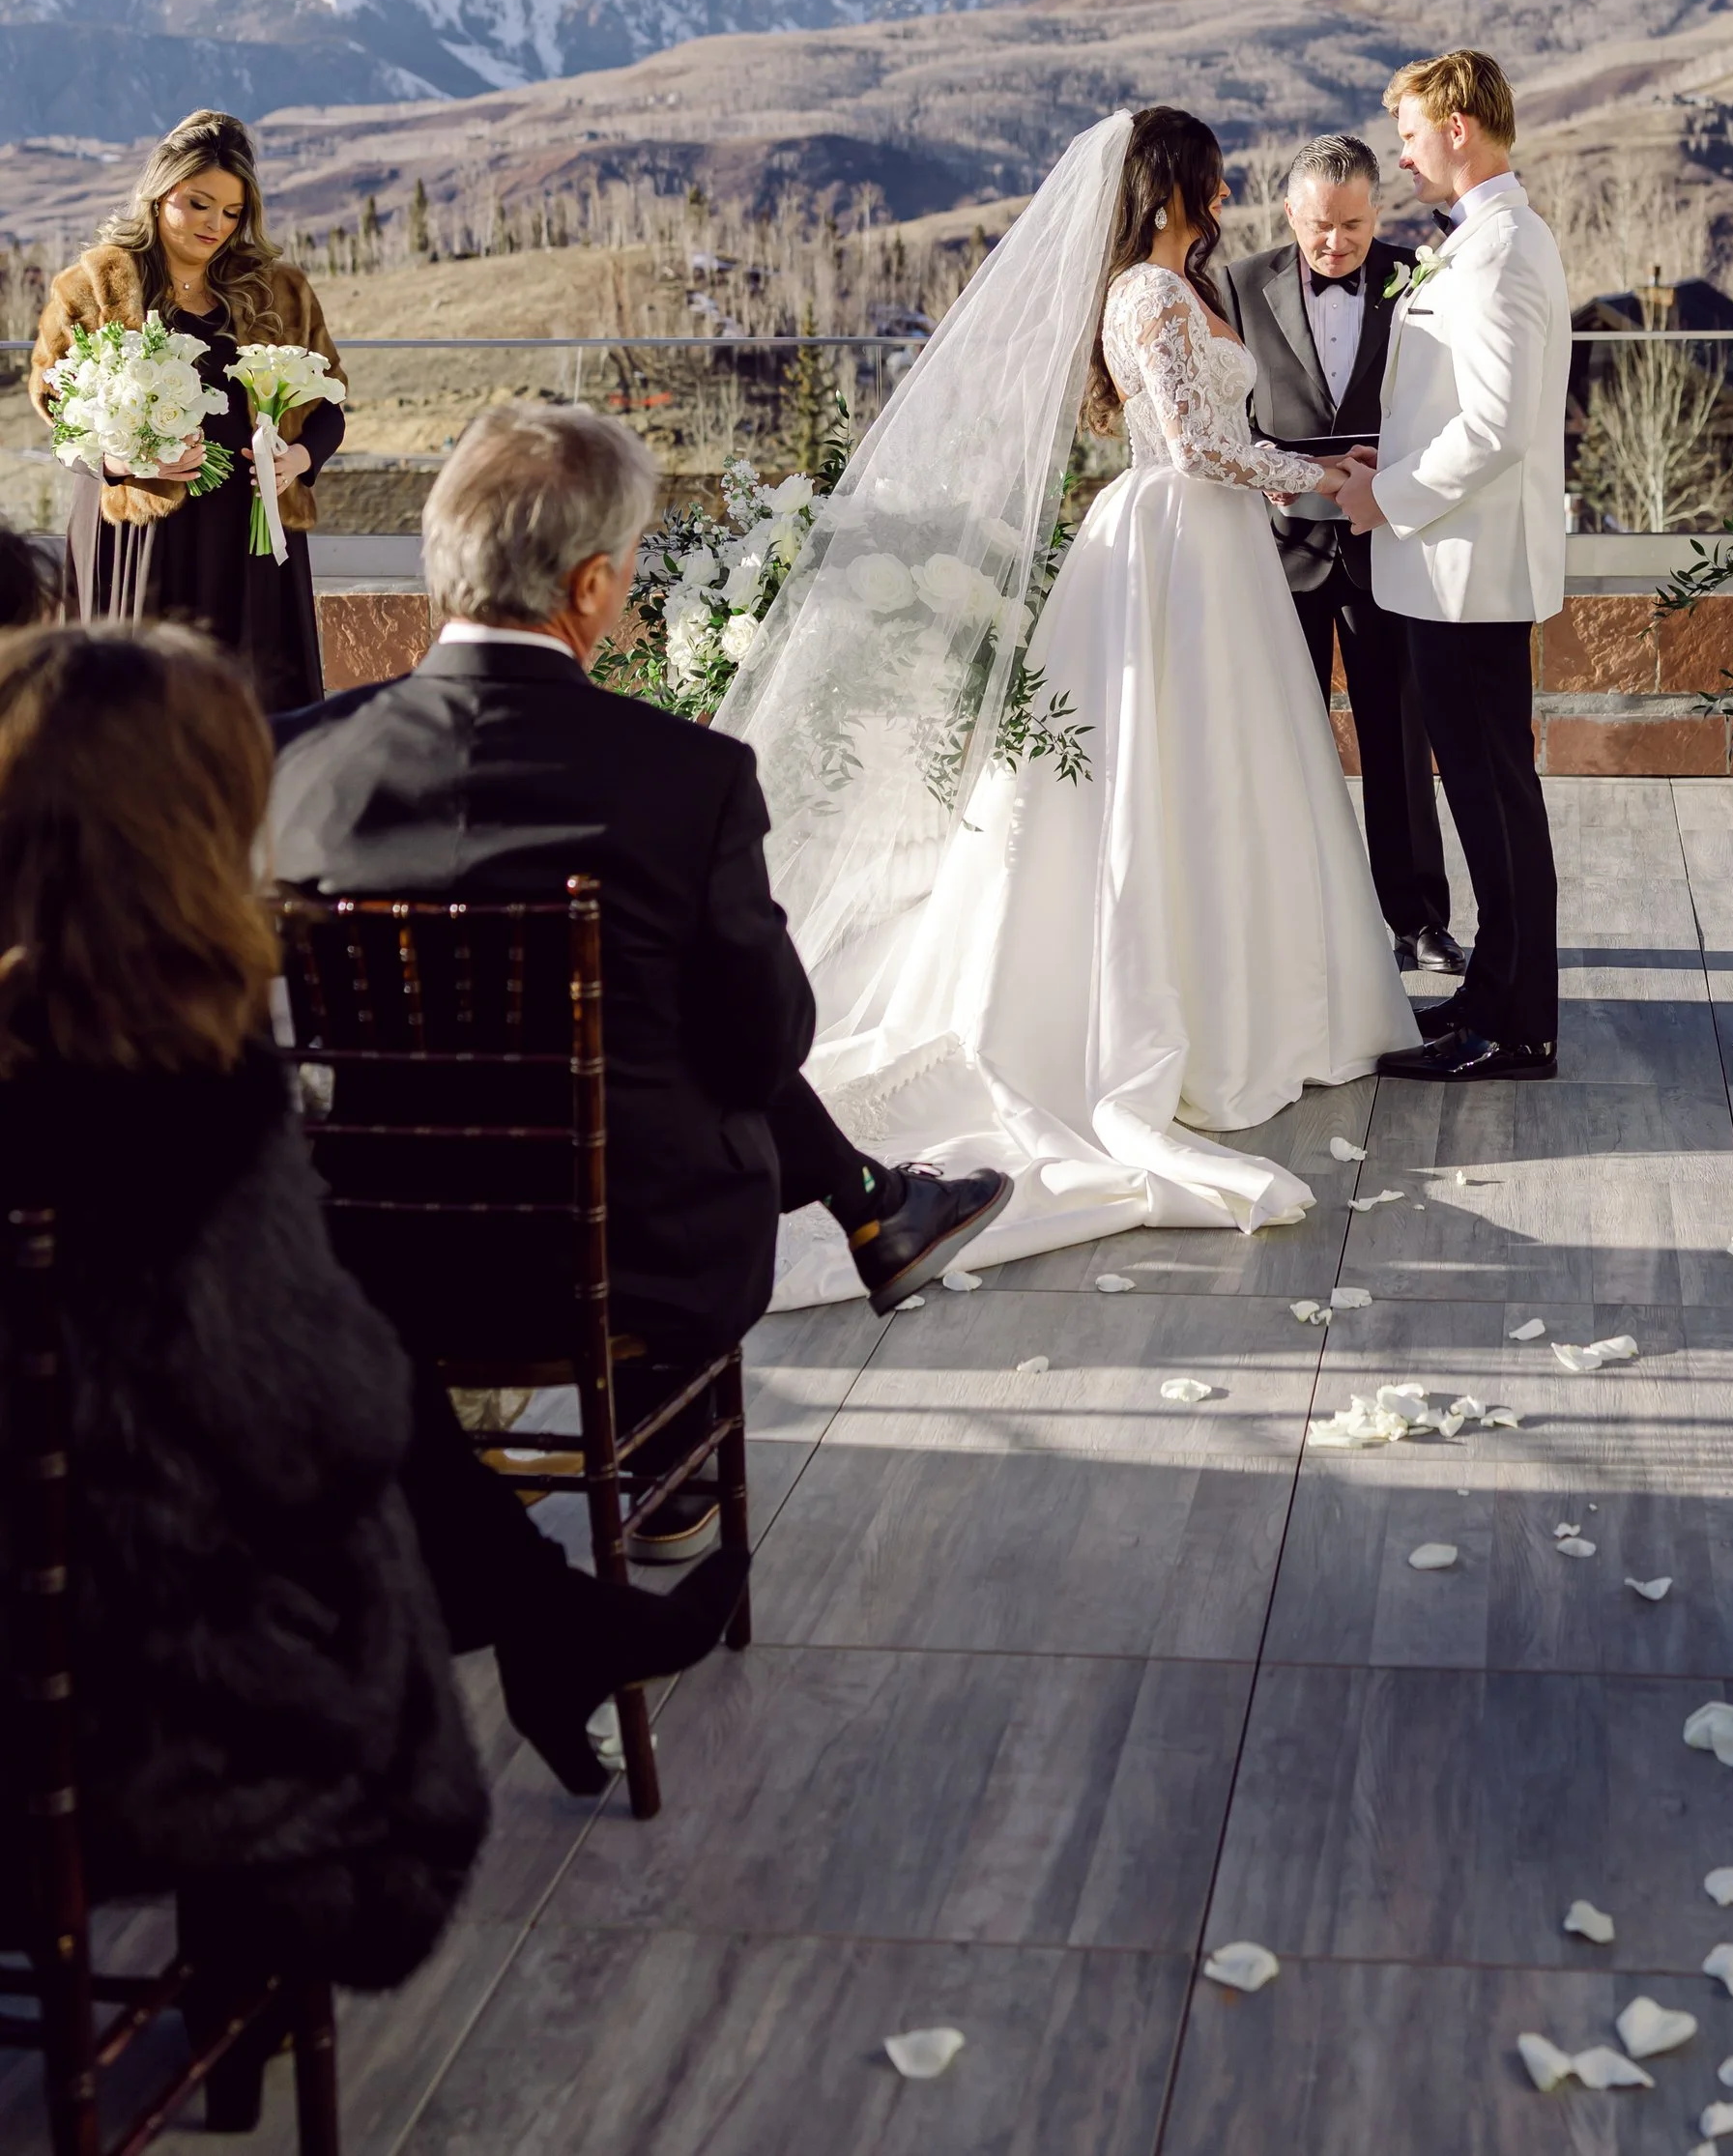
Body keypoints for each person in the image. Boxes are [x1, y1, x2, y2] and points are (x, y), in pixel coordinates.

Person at [272, 403, 1008, 1550]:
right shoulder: (686, 777)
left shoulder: (297, 760)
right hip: (632, 1261)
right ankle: (671, 1457)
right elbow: (768, 1050)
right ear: (593, 588)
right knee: (698, 1052)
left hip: (366, 1253)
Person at [718, 107, 1419, 1299]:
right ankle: (1184, 1006)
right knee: (1167, 774)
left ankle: (1262, 995)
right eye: (1210, 171)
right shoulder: (1145, 298)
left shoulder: (1178, 284)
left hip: (1221, 555)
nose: (1225, 183)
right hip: (1171, 546)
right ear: (1171, 187)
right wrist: (1324, 476)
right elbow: (1198, 447)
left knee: (1234, 775)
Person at [0, 618, 487, 1988]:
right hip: (133, 1738)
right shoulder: (183, 1109)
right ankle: (288, 1940)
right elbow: (316, 1424)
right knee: (357, 1509)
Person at [1339, 51, 1573, 1086]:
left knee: (1493, 799)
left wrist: (1380, 498)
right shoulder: (1479, 241)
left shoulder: (1503, 252)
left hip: (1465, 577)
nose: (1400, 150)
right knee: (1486, 795)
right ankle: (1492, 999)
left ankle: (1515, 1028)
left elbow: (1495, 428)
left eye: (1409, 129)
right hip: (1445, 570)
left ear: (1459, 127)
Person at [1217, 132, 1458, 976]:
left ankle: (1420, 920)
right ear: (1289, 212)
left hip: (1383, 541)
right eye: (1321, 227)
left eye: (1353, 226)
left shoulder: (1418, 278)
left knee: (1399, 738)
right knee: (1286, 739)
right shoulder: (1239, 285)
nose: (1336, 243)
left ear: (1377, 211)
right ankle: (1295, 916)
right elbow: (1222, 414)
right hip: (1279, 549)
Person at [33, 109, 344, 713]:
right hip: (139, 539)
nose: (216, 226)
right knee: (134, 713)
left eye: (231, 212)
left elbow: (330, 404)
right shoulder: (92, 287)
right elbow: (55, 402)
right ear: (160, 192)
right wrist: (120, 462)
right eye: (199, 204)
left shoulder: (280, 289)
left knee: (257, 712)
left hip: (251, 538)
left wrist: (298, 460)